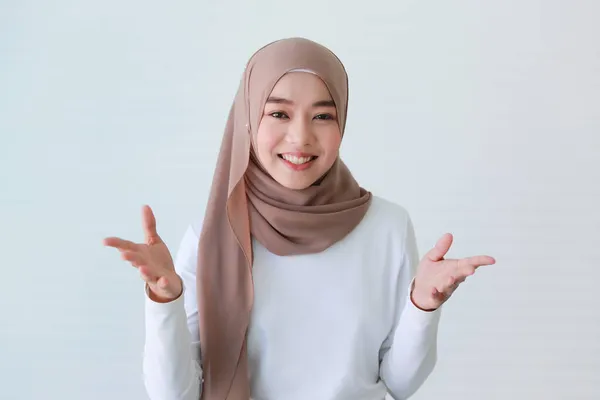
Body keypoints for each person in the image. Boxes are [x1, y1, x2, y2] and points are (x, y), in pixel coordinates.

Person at [103, 37, 496, 400]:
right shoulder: (212, 236)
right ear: (249, 119)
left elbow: (400, 382)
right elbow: (174, 394)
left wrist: (423, 305)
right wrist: (164, 300)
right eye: (278, 113)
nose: (300, 137)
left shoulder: (387, 226)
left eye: (323, 117)